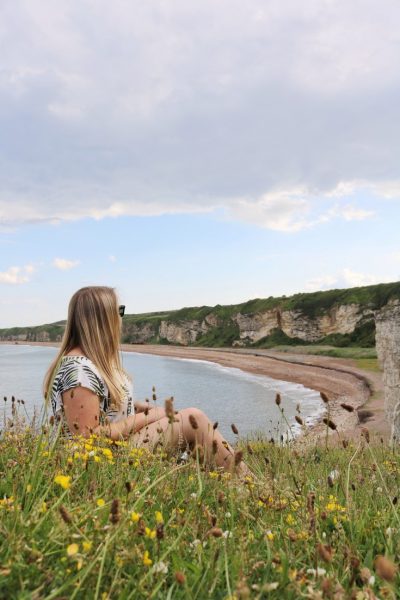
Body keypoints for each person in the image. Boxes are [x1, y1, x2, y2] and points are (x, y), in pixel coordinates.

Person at [43, 286, 248, 474]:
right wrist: (148, 416)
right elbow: (89, 438)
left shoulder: (88, 363)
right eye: (118, 310)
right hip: (102, 463)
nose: (121, 317)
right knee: (195, 417)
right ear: (103, 319)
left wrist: (136, 408)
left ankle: (228, 480)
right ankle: (247, 484)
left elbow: (102, 412)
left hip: (115, 450)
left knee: (188, 421)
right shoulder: (79, 370)